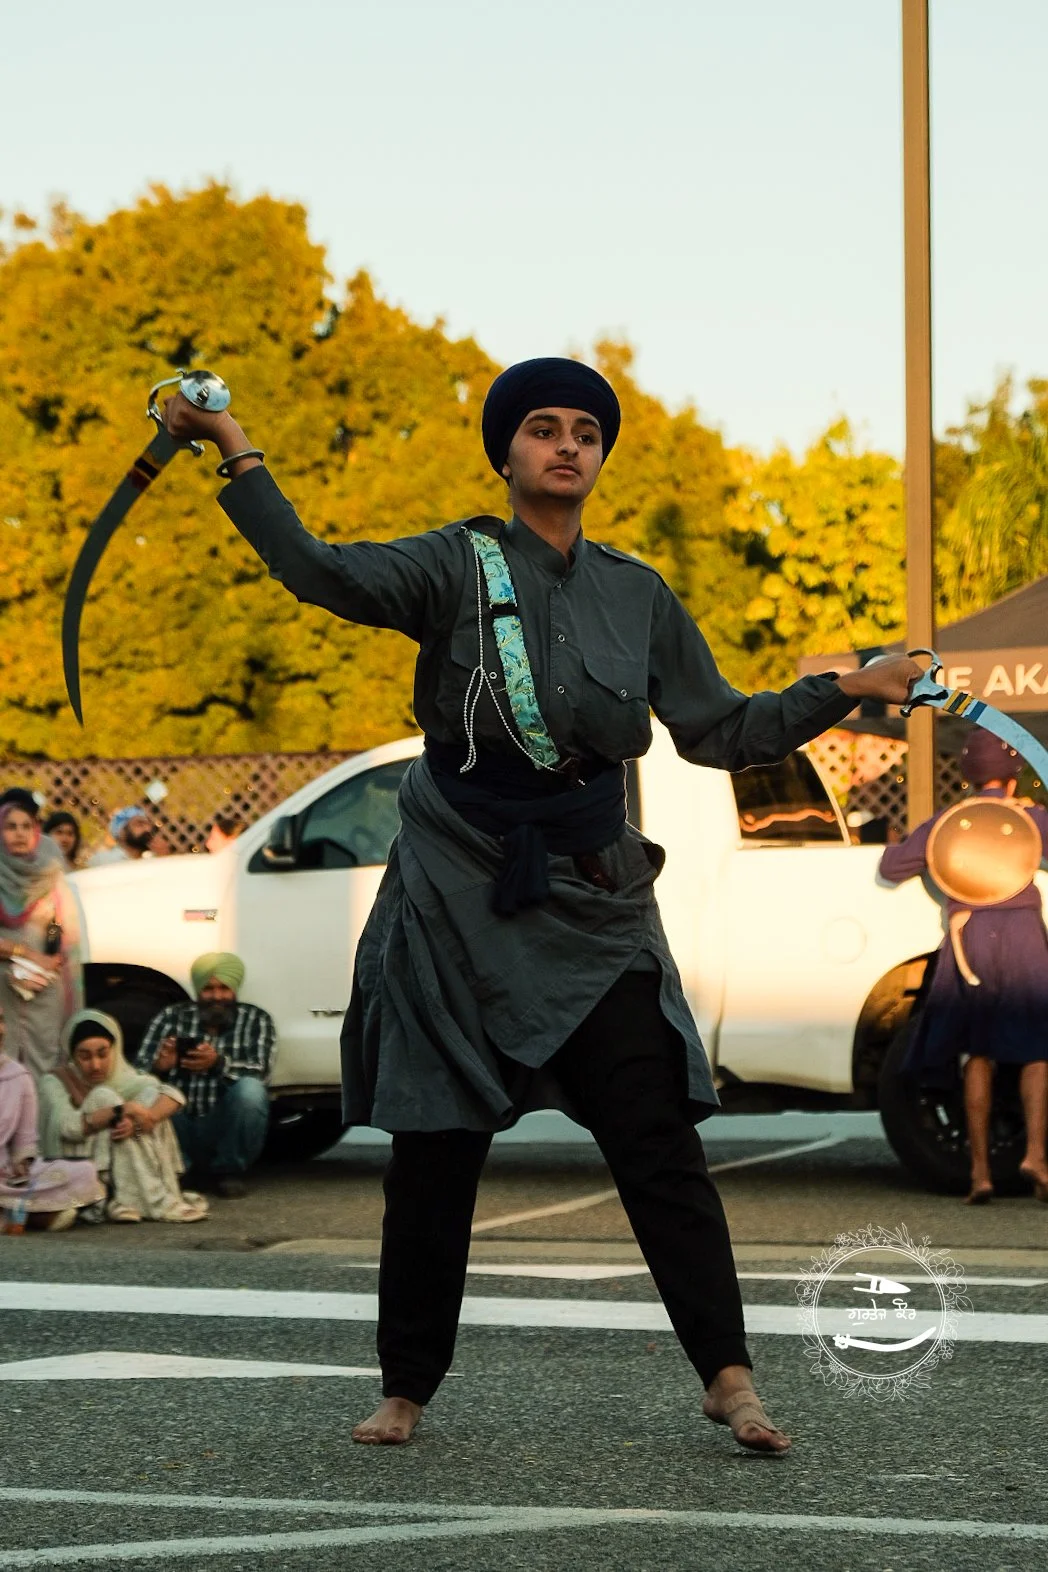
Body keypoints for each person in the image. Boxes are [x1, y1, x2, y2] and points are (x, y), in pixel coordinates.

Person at [162, 356, 919, 1454]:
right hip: (453, 900)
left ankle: (728, 1376)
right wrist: (234, 446)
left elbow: (720, 731)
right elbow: (319, 573)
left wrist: (848, 686)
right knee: (433, 1153)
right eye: (543, 428)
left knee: (657, 1140)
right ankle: (406, 1386)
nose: (567, 445)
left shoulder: (637, 593)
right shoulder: (450, 564)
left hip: (592, 902)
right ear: (507, 452)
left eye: (585, 432)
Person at [880, 731, 1048, 1205]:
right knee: (1037, 1050)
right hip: (1023, 934)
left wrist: (897, 842)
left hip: (969, 936)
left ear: (968, 777)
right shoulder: (1030, 818)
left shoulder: (948, 822)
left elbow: (893, 868)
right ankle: (1037, 1156)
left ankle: (979, 1173)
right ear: (1012, 777)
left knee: (977, 1053)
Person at [37, 1009, 208, 1224]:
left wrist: (142, 1120)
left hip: (113, 1149)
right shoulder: (55, 1081)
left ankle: (124, 1201)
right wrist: (121, 1111)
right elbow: (68, 1127)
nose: (95, 1065)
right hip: (76, 1161)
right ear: (72, 1055)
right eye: (85, 1056)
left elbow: (171, 1095)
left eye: (102, 1054)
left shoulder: (125, 1077)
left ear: (114, 1051)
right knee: (104, 1097)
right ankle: (156, 1201)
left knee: (148, 1101)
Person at [136, 952, 274, 1199]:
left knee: (251, 1092)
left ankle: (229, 1171)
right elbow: (135, 1076)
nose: (217, 996)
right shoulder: (171, 1017)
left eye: (224, 988)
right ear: (198, 991)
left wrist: (218, 1063)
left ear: (235, 990)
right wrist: (159, 1067)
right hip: (179, 1124)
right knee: (147, 1090)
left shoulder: (256, 1019)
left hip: (222, 1123)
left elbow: (260, 1072)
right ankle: (182, 1169)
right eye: (208, 989)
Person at [0, 1002, 103, 1230]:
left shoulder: (17, 1076)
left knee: (83, 1171)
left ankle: (15, 1213)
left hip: (5, 1177)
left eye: (0, 1021)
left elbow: (25, 1142)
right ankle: (32, 1216)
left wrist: (22, 1162)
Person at [0, 800, 83, 1082]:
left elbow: (68, 932)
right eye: (11, 827)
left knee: (45, 1063)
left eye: (26, 826)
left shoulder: (50, 871)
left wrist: (51, 960)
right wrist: (29, 956)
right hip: (3, 985)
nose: (19, 833)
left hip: (45, 987)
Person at [86, 807, 165, 867]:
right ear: (122, 832)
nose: (147, 829)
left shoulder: (150, 860)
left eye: (148, 824)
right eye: (139, 824)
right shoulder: (103, 861)